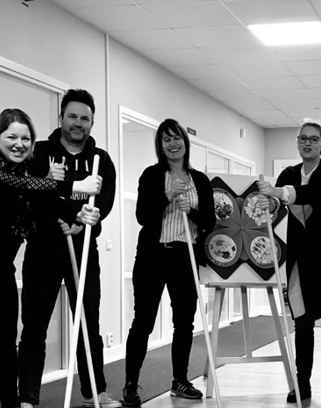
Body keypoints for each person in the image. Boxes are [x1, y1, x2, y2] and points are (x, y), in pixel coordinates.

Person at [17, 90, 120, 408]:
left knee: (88, 323)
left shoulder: (102, 160)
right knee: (34, 325)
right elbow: (34, 199)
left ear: (92, 122)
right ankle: (27, 397)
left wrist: (85, 220)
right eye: (72, 116)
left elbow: (103, 203)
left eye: (85, 118)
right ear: (61, 117)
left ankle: (94, 392)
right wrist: (65, 211)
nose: (78, 123)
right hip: (43, 250)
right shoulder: (38, 153)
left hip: (84, 247)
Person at [0, 108, 101, 408]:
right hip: (21, 262)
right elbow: (18, 184)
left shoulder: (25, 172)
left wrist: (77, 216)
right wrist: (74, 186)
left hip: (4, 268)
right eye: (11, 137)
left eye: (25, 138)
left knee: (6, 343)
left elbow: (39, 203)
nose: (19, 144)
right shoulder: (9, 175)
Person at [257, 121, 321, 406]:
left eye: (314, 139)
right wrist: (271, 204)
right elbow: (279, 207)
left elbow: (317, 194)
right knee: (302, 326)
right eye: (303, 138)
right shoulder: (288, 174)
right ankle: (301, 384)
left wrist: (280, 194)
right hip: (301, 264)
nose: (308, 143)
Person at [122, 119, 215, 406]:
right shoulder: (151, 175)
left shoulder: (200, 180)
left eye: (177, 138)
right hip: (153, 256)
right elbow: (142, 216)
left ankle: (180, 381)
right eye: (166, 139)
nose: (173, 144)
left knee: (184, 323)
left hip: (184, 256)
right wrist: (167, 197)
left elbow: (209, 221)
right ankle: (130, 385)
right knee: (143, 322)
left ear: (185, 142)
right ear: (160, 146)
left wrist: (192, 210)